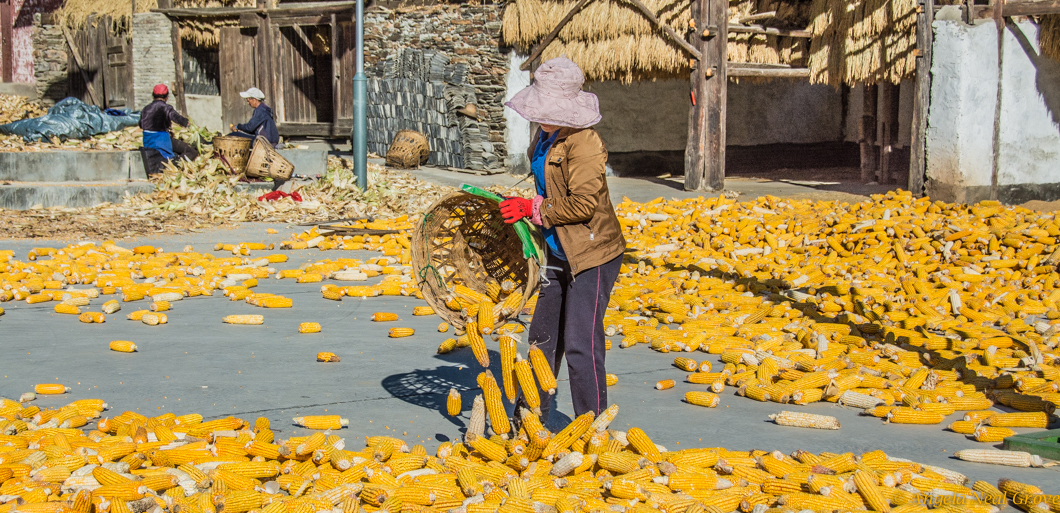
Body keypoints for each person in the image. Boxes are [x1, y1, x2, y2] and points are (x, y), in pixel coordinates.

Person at [500, 57, 626, 425]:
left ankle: (592, 424)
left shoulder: (583, 143)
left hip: (591, 254)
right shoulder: (544, 135)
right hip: (556, 249)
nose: (540, 115)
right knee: (541, 337)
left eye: (548, 108)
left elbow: (584, 203)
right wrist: (522, 209)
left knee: (580, 344)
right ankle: (531, 417)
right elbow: (544, 187)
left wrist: (534, 208)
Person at [139, 84, 199, 174]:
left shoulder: (146, 108)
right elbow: (176, 117)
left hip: (148, 140)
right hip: (161, 139)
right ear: (166, 97)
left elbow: (141, 124)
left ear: (153, 95)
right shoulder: (165, 107)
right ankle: (176, 164)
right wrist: (187, 123)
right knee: (191, 151)